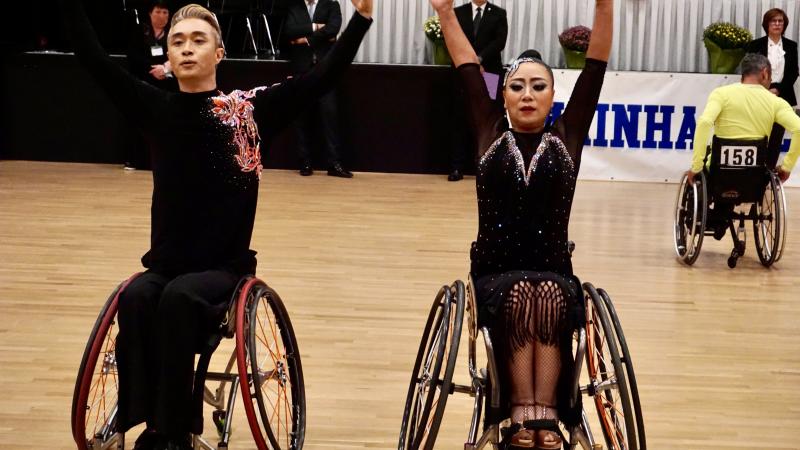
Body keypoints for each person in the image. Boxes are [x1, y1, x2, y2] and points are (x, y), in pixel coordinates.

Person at [60, 0, 373, 448]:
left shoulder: (246, 112)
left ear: (219, 53)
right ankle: (145, 419)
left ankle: (171, 431)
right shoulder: (155, 108)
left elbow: (319, 80)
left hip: (222, 269)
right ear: (168, 55)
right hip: (167, 263)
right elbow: (93, 59)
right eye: (178, 42)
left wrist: (360, 20)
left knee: (178, 299)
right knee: (137, 295)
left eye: (198, 40)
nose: (186, 49)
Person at [430, 0, 612, 448]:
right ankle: (518, 414)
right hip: (495, 273)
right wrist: (445, 12)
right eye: (517, 86)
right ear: (504, 96)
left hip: (553, 271)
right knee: (520, 292)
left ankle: (542, 416)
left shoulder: (567, 135)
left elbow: (596, 65)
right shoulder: (489, 129)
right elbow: (467, 65)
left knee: (544, 291)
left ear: (553, 96)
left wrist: (605, 5)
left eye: (537, 86)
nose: (527, 94)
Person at [686, 53, 800, 185]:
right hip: (755, 174)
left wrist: (696, 166)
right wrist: (787, 167)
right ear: (765, 73)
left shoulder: (721, 94)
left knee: (708, 156)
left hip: (719, 171)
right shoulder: (776, 102)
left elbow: (705, 122)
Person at [284, 0, 352, 177]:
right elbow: (290, 30)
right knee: (300, 116)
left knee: (330, 116)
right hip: (301, 69)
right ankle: (305, 163)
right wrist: (316, 27)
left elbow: (333, 29)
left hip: (325, 69)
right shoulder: (294, 6)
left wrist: (305, 39)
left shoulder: (331, 4)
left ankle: (334, 164)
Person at [447, 0, 508, 181]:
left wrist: (479, 59)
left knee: (489, 118)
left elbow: (499, 42)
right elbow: (451, 38)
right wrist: (470, 63)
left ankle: (487, 167)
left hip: (489, 73)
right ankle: (456, 167)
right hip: (463, 73)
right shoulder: (458, 12)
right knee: (460, 117)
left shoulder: (498, 13)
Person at [124, 1, 177, 170]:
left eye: (165, 13)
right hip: (144, 82)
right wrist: (151, 69)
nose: (162, 16)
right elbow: (133, 56)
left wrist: (165, 69)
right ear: (150, 13)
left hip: (167, 83)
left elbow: (178, 55)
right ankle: (135, 160)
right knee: (140, 121)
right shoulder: (141, 32)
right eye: (158, 12)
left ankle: (164, 161)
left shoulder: (173, 35)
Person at [746, 8, 799, 166]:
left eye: (780, 21)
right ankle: (754, 171)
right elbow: (750, 70)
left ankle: (768, 172)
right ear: (766, 24)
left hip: (782, 96)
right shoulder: (755, 45)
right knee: (757, 135)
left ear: (784, 25)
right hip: (759, 94)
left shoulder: (791, 45)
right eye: (773, 21)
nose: (777, 24)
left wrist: (777, 90)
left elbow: (793, 72)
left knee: (776, 137)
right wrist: (764, 90)